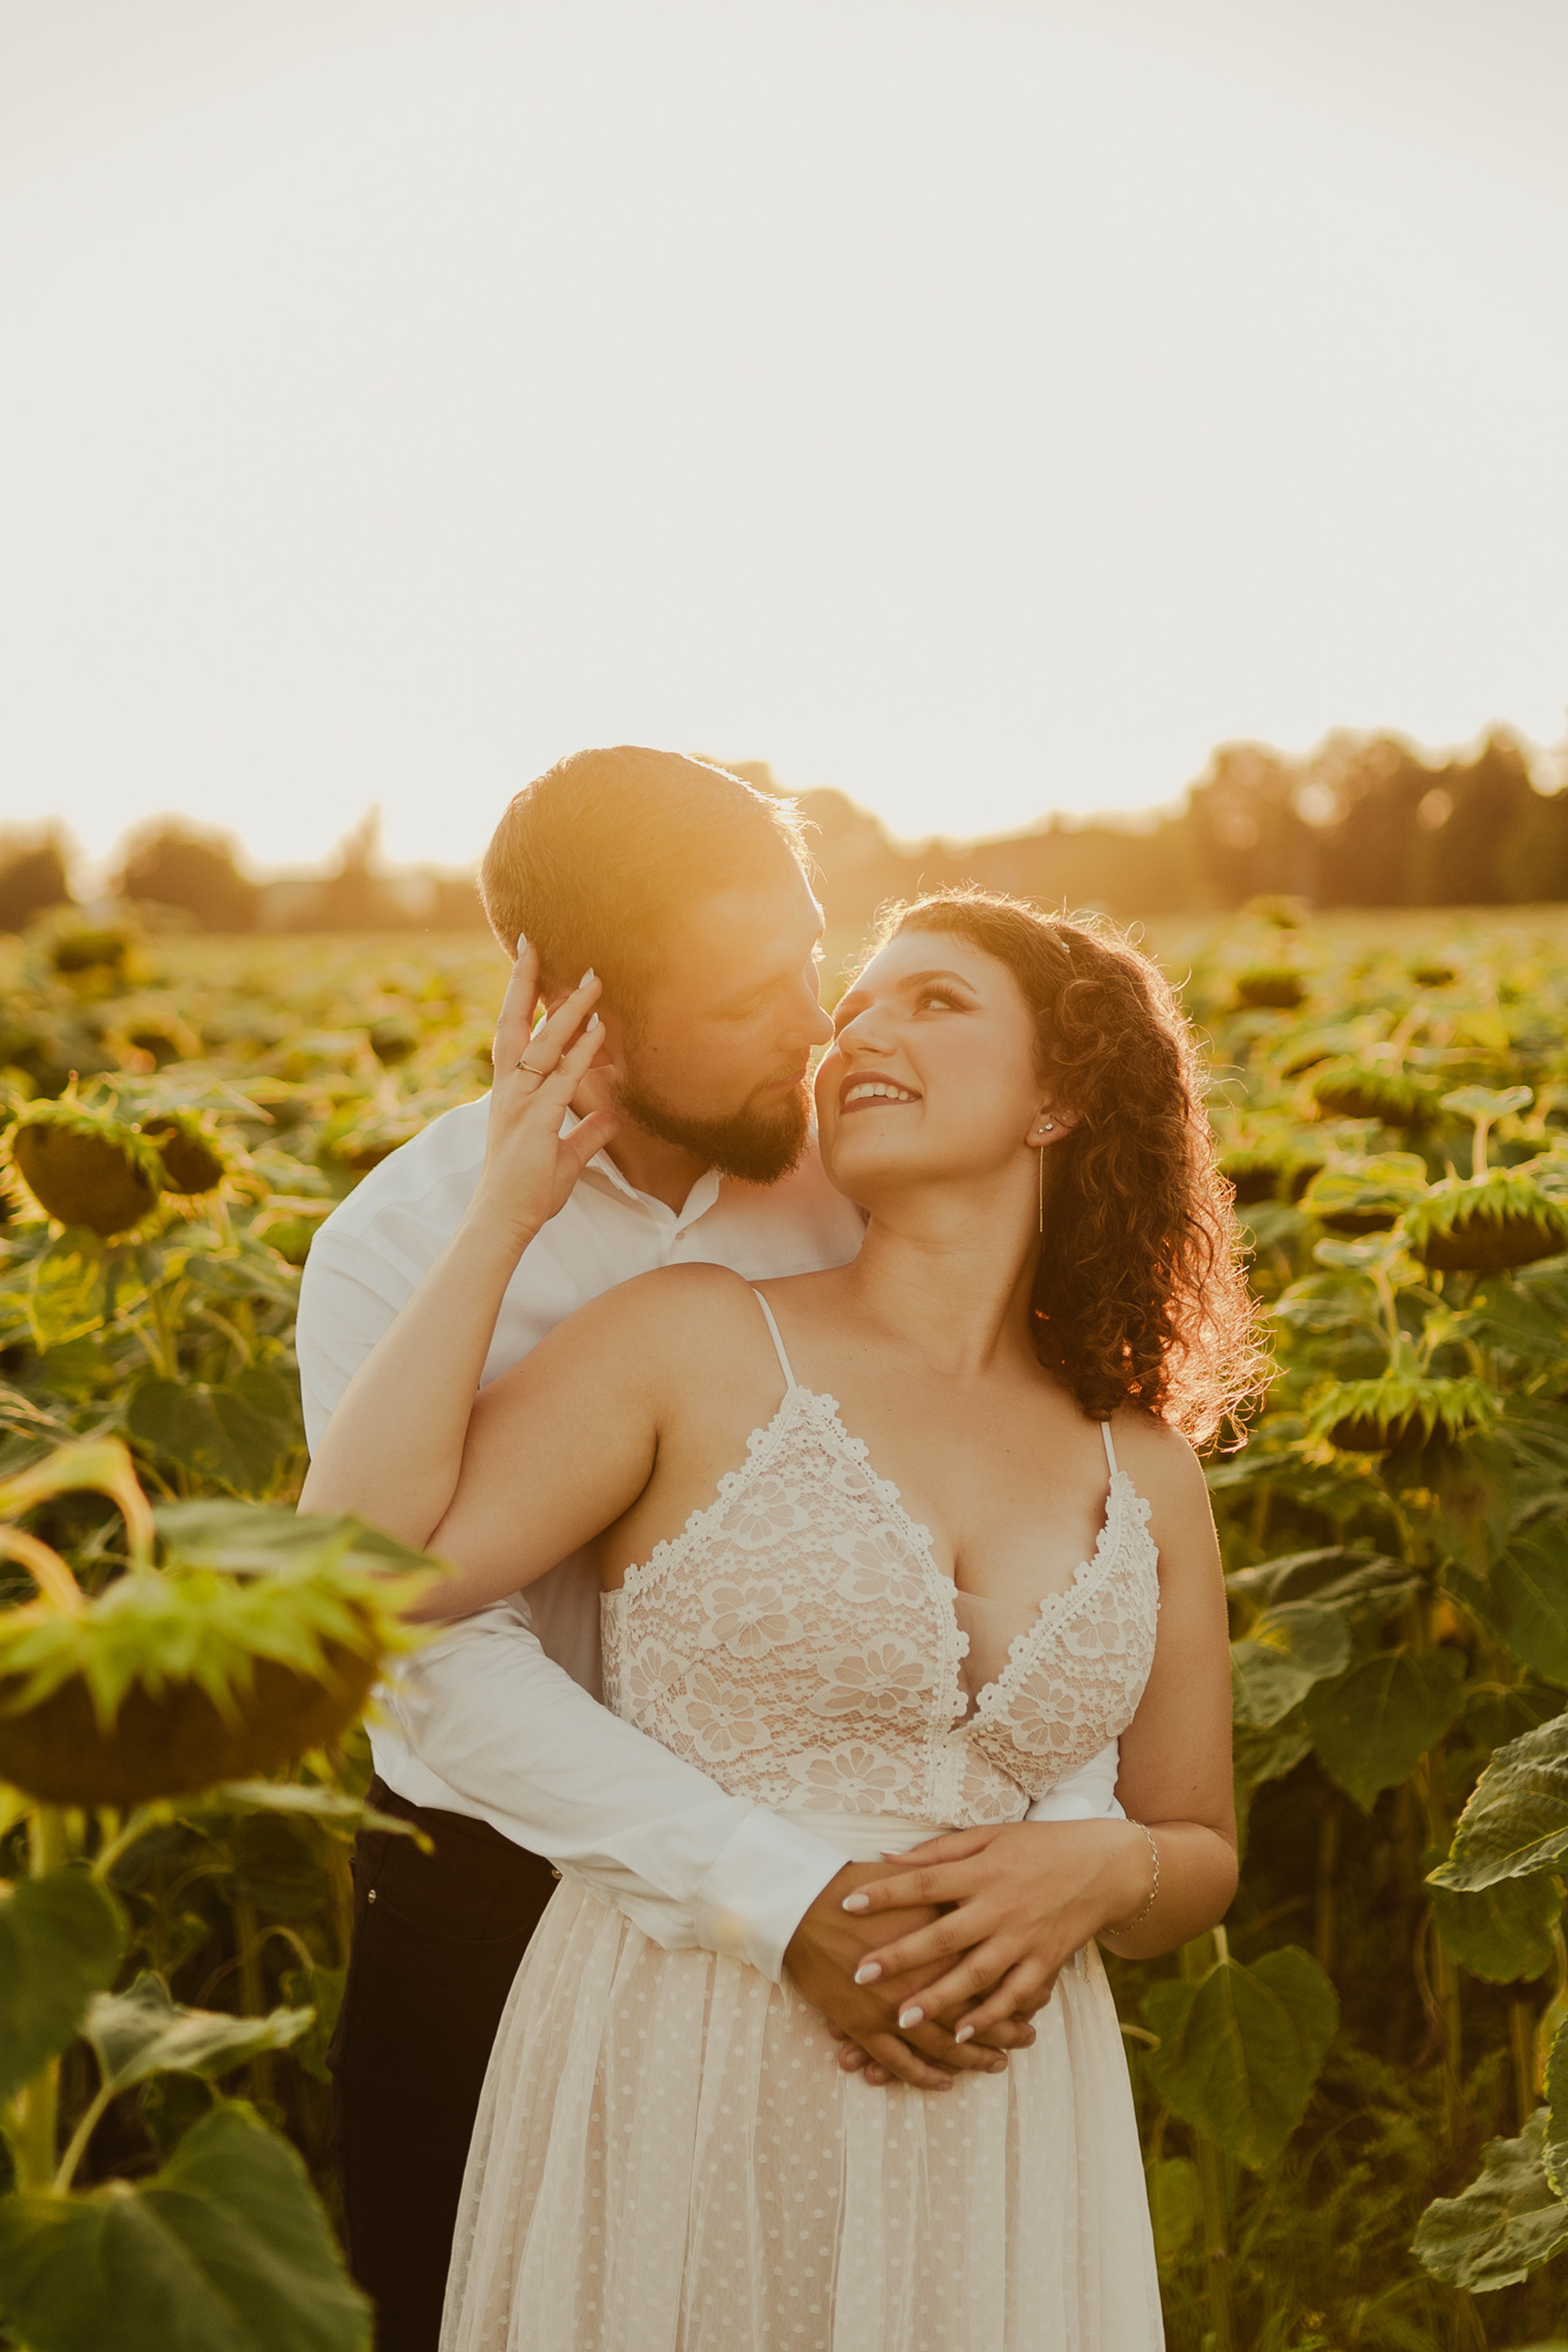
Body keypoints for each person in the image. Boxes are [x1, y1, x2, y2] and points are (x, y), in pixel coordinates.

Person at [303, 873, 1256, 2351]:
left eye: (934, 999)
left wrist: (1100, 1872)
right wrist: (507, 1204)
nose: (855, 1023)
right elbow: (357, 1589)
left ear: (1061, 1096)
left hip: (1001, 2102)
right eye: (856, 1001)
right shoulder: (685, 1337)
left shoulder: (1142, 1463)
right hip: (683, 2034)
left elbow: (1195, 1845)